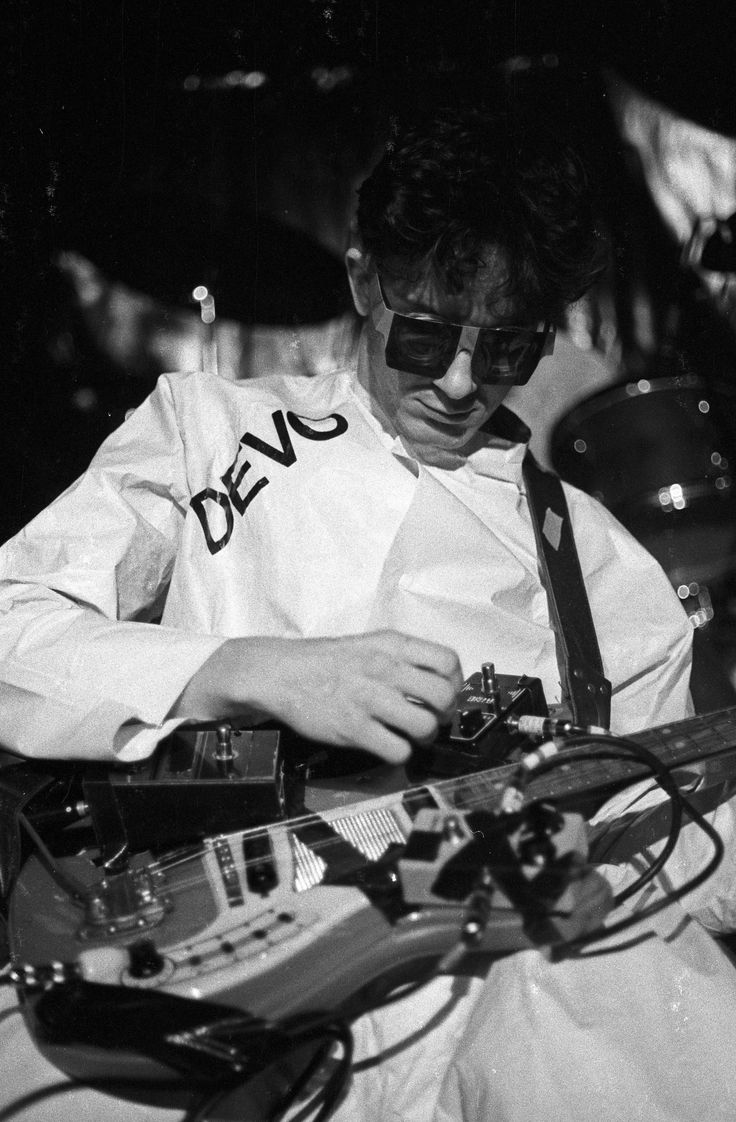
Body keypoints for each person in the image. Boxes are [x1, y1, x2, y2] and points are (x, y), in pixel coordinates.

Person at [1, 104, 736, 1121]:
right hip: (186, 962)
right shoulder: (208, 428)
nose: (462, 384)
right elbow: (13, 631)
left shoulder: (603, 565)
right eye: (428, 333)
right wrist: (251, 667)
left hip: (487, 1010)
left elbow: (668, 841)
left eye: (509, 350)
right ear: (360, 281)